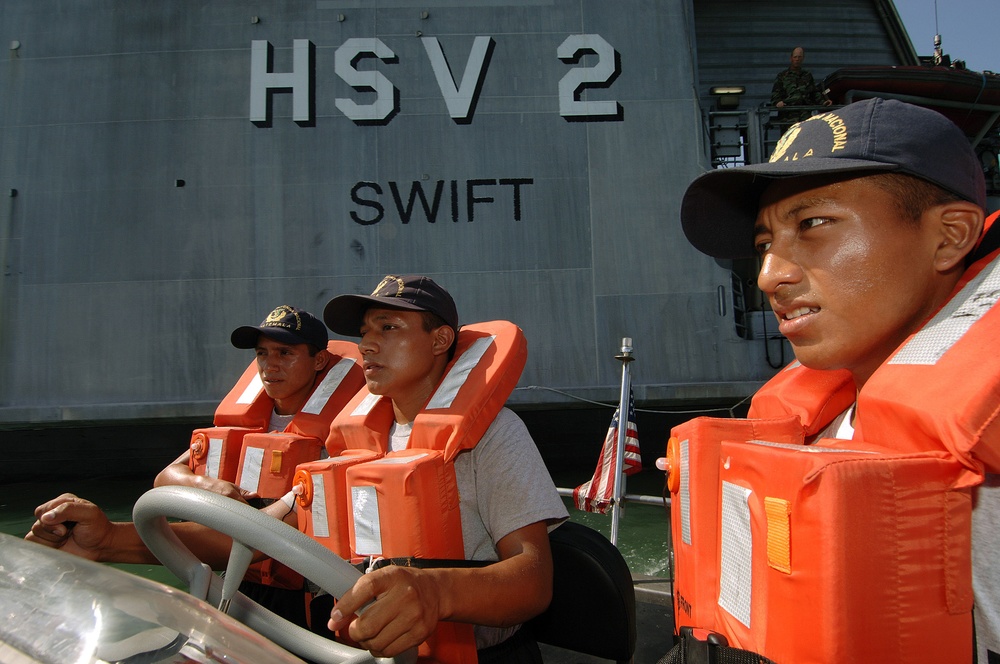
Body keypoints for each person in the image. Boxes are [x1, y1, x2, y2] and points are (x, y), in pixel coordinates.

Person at [27, 276, 568, 664]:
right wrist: (109, 540)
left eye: (389, 326)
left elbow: (533, 580)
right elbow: (256, 538)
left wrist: (436, 593)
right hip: (352, 649)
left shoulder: (495, 436)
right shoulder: (352, 440)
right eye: (363, 330)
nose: (368, 343)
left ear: (440, 341)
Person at [678, 98, 998, 662]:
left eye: (813, 224)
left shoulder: (981, 486)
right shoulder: (823, 424)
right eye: (763, 244)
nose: (770, 275)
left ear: (950, 237)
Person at [154, 304, 334, 501]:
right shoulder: (242, 422)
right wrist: (208, 485)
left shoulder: (333, 429)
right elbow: (165, 477)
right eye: (261, 353)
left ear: (319, 361)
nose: (269, 366)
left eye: (285, 353)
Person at [769, 46, 831, 124]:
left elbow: (814, 92)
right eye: (795, 57)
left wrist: (823, 102)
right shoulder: (782, 76)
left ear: (803, 59)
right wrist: (777, 102)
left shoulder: (807, 75)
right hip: (788, 115)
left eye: (799, 57)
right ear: (791, 58)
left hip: (805, 114)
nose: (797, 59)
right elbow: (775, 93)